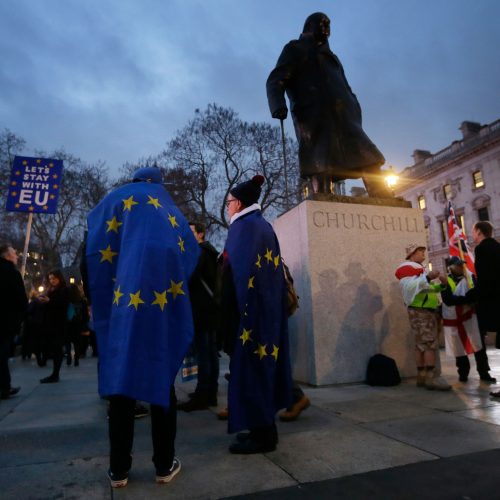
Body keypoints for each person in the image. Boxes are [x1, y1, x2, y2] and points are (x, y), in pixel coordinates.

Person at [84, 166, 199, 487]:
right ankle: (164, 465)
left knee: (121, 386)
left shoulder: (109, 203)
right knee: (161, 382)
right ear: (157, 182)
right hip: (160, 307)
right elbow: (189, 252)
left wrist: (98, 296)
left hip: (120, 308)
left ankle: (118, 470)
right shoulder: (166, 206)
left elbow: (89, 255)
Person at [266, 12, 391, 197]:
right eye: (322, 24)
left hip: (345, 117)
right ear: (309, 26)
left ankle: (380, 192)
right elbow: (276, 79)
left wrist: (353, 106)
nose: (326, 29)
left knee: (366, 152)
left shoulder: (332, 57)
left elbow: (345, 85)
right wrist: (278, 104)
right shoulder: (295, 48)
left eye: (328, 24)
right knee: (320, 159)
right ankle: (321, 195)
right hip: (313, 116)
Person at [220, 175, 292, 454]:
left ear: (237, 203)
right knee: (258, 370)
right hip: (264, 312)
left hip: (249, 314)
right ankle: (260, 429)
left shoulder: (244, 228)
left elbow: (236, 276)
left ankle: (263, 435)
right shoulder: (260, 226)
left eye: (228, 203)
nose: (227, 207)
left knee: (252, 370)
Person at [395, 244, 450, 391]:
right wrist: (427, 276)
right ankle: (431, 379)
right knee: (429, 343)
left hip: (424, 310)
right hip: (421, 311)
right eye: (420, 252)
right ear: (412, 254)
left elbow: (425, 289)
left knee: (421, 344)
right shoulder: (408, 269)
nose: (423, 254)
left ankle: (421, 376)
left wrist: (442, 286)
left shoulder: (419, 271)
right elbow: (410, 288)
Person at [178, 221, 220, 412]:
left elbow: (190, 277)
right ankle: (210, 392)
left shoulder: (200, 252)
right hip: (210, 309)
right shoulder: (209, 251)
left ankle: (203, 394)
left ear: (201, 234)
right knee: (210, 352)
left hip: (203, 309)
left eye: (192, 231)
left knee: (205, 352)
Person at [439, 256, 495, 383]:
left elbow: (477, 294)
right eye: (458, 265)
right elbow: (448, 299)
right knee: (459, 348)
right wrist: (465, 300)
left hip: (472, 317)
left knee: (479, 346)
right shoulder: (445, 281)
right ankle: (463, 373)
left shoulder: (470, 277)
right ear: (451, 267)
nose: (461, 267)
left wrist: (468, 299)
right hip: (455, 318)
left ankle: (484, 372)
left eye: (462, 265)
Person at [0, 244, 28, 399]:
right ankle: (5, 387)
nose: (17, 256)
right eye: (14, 253)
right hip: (6, 323)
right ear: (6, 256)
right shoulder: (12, 273)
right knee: (2, 355)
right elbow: (21, 301)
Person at [38, 270, 69, 383]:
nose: (52, 280)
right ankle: (54, 374)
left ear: (59, 278)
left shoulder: (64, 290)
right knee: (51, 348)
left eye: (54, 278)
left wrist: (49, 301)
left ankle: (55, 374)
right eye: (50, 278)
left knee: (57, 349)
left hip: (58, 324)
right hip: (49, 324)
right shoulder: (50, 290)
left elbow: (62, 305)